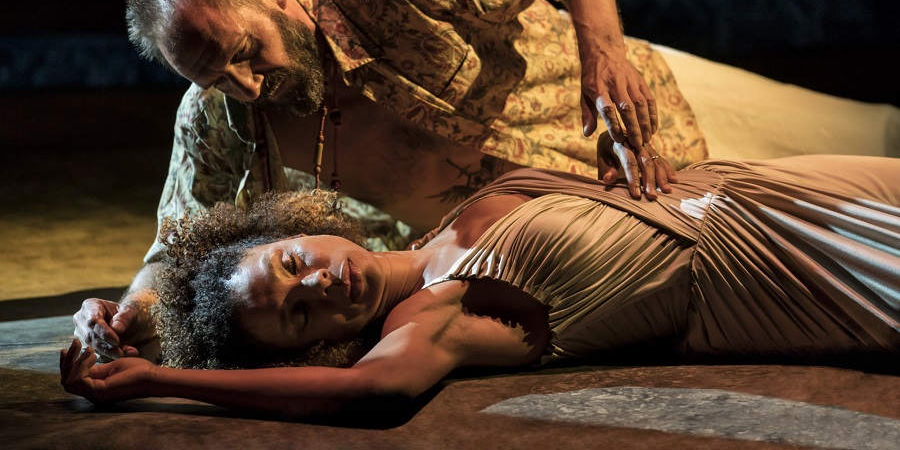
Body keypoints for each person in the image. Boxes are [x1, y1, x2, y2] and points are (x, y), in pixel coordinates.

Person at [75, 0, 711, 362]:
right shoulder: (219, 117)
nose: (247, 86)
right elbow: (176, 248)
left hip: (628, 149)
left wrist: (606, 57)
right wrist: (124, 315)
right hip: (513, 262)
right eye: (216, 78)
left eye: (245, 53)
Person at [61, 154, 900, 419]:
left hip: (768, 187)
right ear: (316, 345)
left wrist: (126, 311)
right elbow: (375, 390)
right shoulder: (432, 317)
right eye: (302, 314)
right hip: (776, 270)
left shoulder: (442, 227)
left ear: (290, 229)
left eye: (291, 265)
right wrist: (160, 379)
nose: (320, 283)